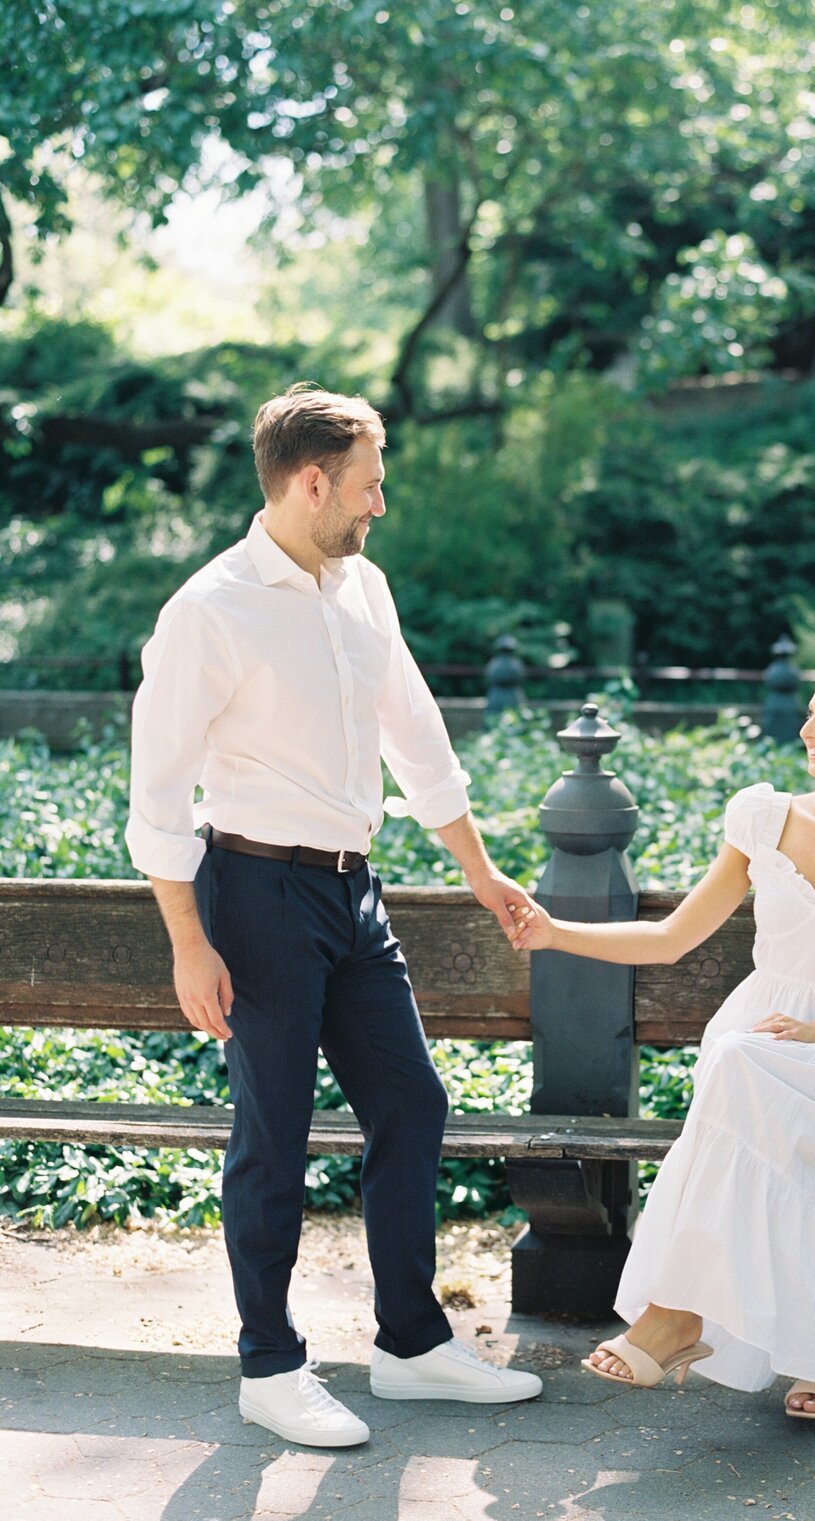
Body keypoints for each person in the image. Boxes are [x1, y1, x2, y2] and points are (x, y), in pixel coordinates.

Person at [125, 383, 542, 1448]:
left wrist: (480, 872)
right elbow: (158, 793)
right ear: (311, 482)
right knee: (274, 1132)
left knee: (411, 1100)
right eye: (369, 486)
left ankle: (410, 1345)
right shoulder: (208, 611)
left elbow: (416, 735)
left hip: (353, 891)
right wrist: (187, 941)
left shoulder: (363, 588)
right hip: (254, 894)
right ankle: (269, 1364)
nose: (379, 506)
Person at [510, 656, 815, 1420]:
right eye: (812, 711)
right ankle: (812, 1353)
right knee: (742, 1069)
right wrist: (558, 931)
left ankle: (680, 1317)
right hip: (759, 1035)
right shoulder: (764, 817)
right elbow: (671, 937)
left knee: (743, 1073)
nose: (807, 729)